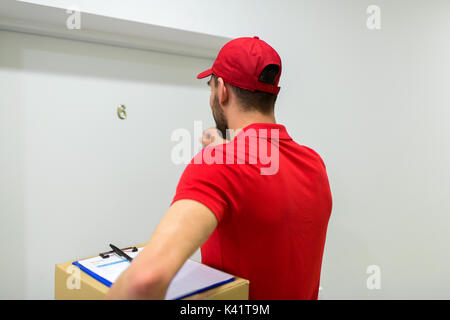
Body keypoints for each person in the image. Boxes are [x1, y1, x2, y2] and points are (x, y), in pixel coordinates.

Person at [106, 36, 332, 300]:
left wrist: (221, 154)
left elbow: (144, 281)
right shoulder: (314, 164)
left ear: (221, 90)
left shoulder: (218, 164)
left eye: (210, 85)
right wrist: (227, 147)